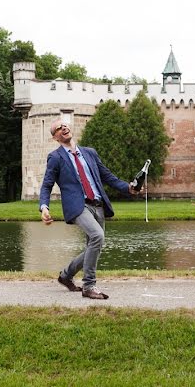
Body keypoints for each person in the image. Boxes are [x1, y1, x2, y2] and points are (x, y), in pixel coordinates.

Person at [39, 119, 137, 299]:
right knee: (97, 236)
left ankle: (66, 276)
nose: (64, 128)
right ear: (55, 137)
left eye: (65, 125)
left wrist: (128, 188)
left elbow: (108, 176)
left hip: (98, 205)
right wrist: (44, 207)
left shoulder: (89, 153)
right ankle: (89, 286)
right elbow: (47, 185)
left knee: (94, 245)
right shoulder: (55, 157)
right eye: (58, 128)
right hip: (78, 206)